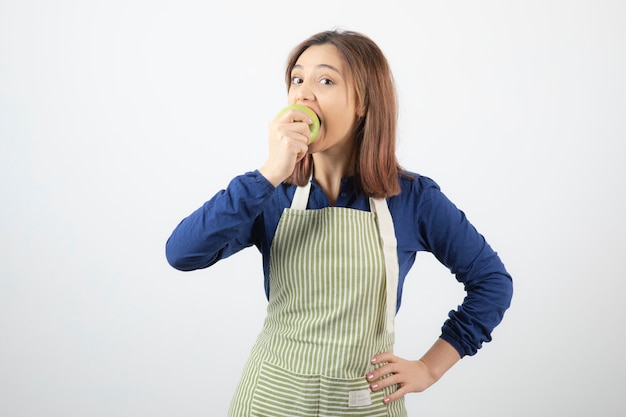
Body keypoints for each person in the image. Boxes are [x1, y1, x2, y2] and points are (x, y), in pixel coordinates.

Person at [165, 29, 513, 417]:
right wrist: (268, 174)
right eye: (297, 79)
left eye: (325, 80)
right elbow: (181, 254)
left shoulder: (413, 199)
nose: (303, 94)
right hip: (269, 401)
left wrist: (429, 368)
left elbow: (492, 282)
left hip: (365, 405)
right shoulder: (268, 194)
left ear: (363, 102)